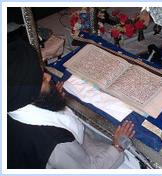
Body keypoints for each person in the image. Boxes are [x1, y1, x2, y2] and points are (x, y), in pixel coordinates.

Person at [7, 38, 135, 169]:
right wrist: (118, 146)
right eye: (42, 79)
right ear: (29, 93)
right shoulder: (55, 143)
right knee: (130, 164)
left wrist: (49, 100)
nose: (49, 77)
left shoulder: (13, 102)